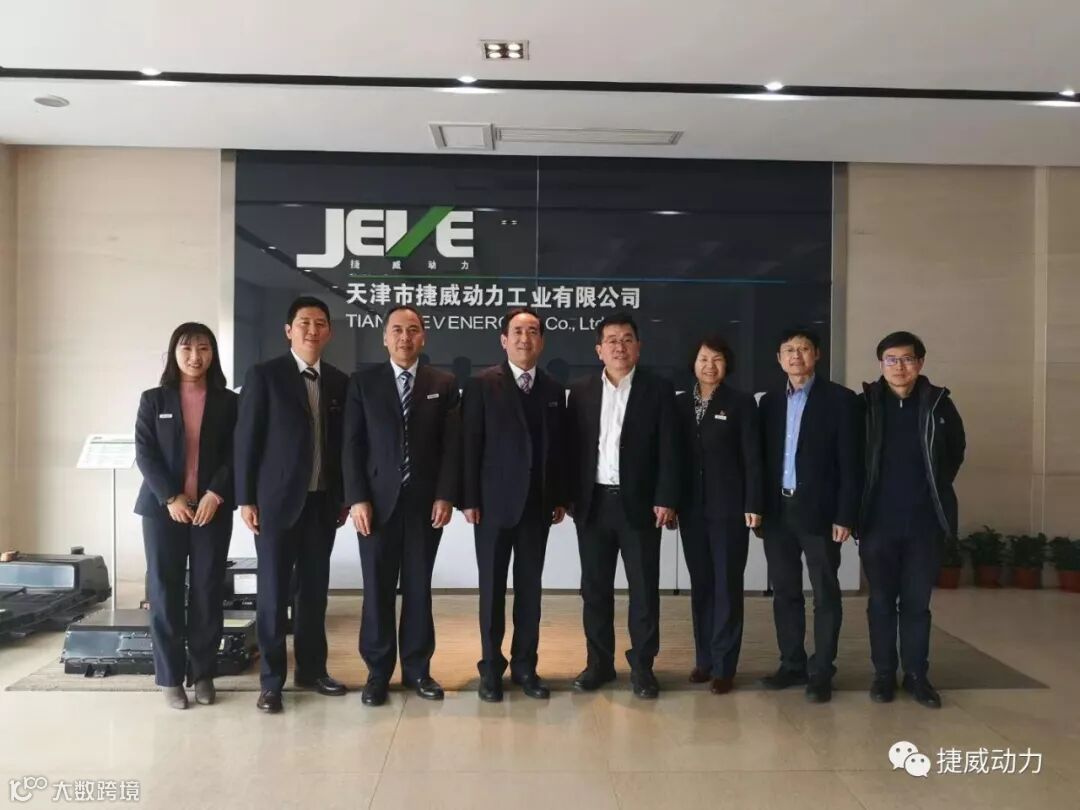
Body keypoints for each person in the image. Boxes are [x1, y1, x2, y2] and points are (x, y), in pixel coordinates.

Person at [235, 296, 349, 714]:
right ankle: (271, 682)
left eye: (320, 323)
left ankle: (312, 670)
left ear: (329, 332)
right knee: (273, 594)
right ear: (288, 330)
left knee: (314, 593)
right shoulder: (265, 376)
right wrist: (246, 497)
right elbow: (246, 440)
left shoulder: (339, 381)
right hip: (275, 504)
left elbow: (345, 446)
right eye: (304, 323)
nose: (312, 330)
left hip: (322, 504)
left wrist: (344, 496)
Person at [343, 305, 461, 707]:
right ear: (384, 337)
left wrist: (446, 495)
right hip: (376, 506)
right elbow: (352, 445)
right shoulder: (363, 383)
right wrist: (357, 498)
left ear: (423, 336)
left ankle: (417, 670)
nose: (405, 337)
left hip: (425, 505)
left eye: (412, 330)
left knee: (418, 588)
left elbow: (452, 447)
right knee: (376, 590)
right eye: (397, 330)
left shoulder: (443, 383)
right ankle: (377, 673)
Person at [566, 313, 679, 699]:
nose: (619, 346)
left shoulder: (658, 390)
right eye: (611, 340)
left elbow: (670, 449)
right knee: (594, 590)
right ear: (599, 350)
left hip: (641, 506)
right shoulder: (581, 391)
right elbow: (572, 449)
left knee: (644, 590)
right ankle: (598, 664)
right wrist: (569, 497)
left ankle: (643, 667)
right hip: (593, 504)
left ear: (638, 347)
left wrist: (666, 497)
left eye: (627, 339)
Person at [461, 308, 568, 702]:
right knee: (491, 591)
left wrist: (559, 496)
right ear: (504, 340)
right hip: (491, 507)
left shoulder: (553, 389)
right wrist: (469, 499)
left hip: (537, 508)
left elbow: (559, 448)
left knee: (529, 591)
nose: (526, 339)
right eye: (518, 332)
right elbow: (469, 444)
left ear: (542, 341)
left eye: (533, 332)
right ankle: (491, 668)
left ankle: (525, 666)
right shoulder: (482, 384)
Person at [858, 331, 965, 709]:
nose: (899, 367)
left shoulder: (938, 404)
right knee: (881, 602)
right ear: (881, 364)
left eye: (906, 359)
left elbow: (955, 452)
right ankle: (884, 674)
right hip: (878, 523)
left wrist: (932, 490)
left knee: (917, 604)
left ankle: (917, 675)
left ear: (920, 363)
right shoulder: (867, 405)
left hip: (924, 523)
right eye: (891, 359)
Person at [134, 322, 238, 710]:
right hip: (163, 511)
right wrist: (170, 497)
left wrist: (216, 492)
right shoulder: (153, 400)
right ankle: (169, 677)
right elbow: (145, 452)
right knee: (165, 590)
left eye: (204, 348)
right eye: (187, 348)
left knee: (208, 590)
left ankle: (204, 672)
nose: (195, 356)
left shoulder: (228, 402)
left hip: (212, 509)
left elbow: (236, 453)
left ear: (213, 354)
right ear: (174, 353)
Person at [757, 327, 860, 703]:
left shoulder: (841, 400)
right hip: (778, 513)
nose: (795, 356)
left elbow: (851, 463)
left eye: (803, 349)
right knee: (785, 592)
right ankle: (792, 663)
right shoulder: (769, 402)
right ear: (779, 358)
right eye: (788, 350)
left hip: (821, 514)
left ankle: (822, 670)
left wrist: (845, 514)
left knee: (825, 592)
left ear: (816, 354)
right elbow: (760, 461)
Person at [674, 335, 763, 695]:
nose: (709, 366)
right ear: (693, 363)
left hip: (730, 509)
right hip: (691, 509)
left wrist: (753, 503)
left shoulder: (741, 403)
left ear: (727, 365)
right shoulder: (679, 403)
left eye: (717, 359)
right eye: (703, 359)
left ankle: (725, 666)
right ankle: (705, 660)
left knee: (727, 584)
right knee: (702, 585)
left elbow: (753, 458)